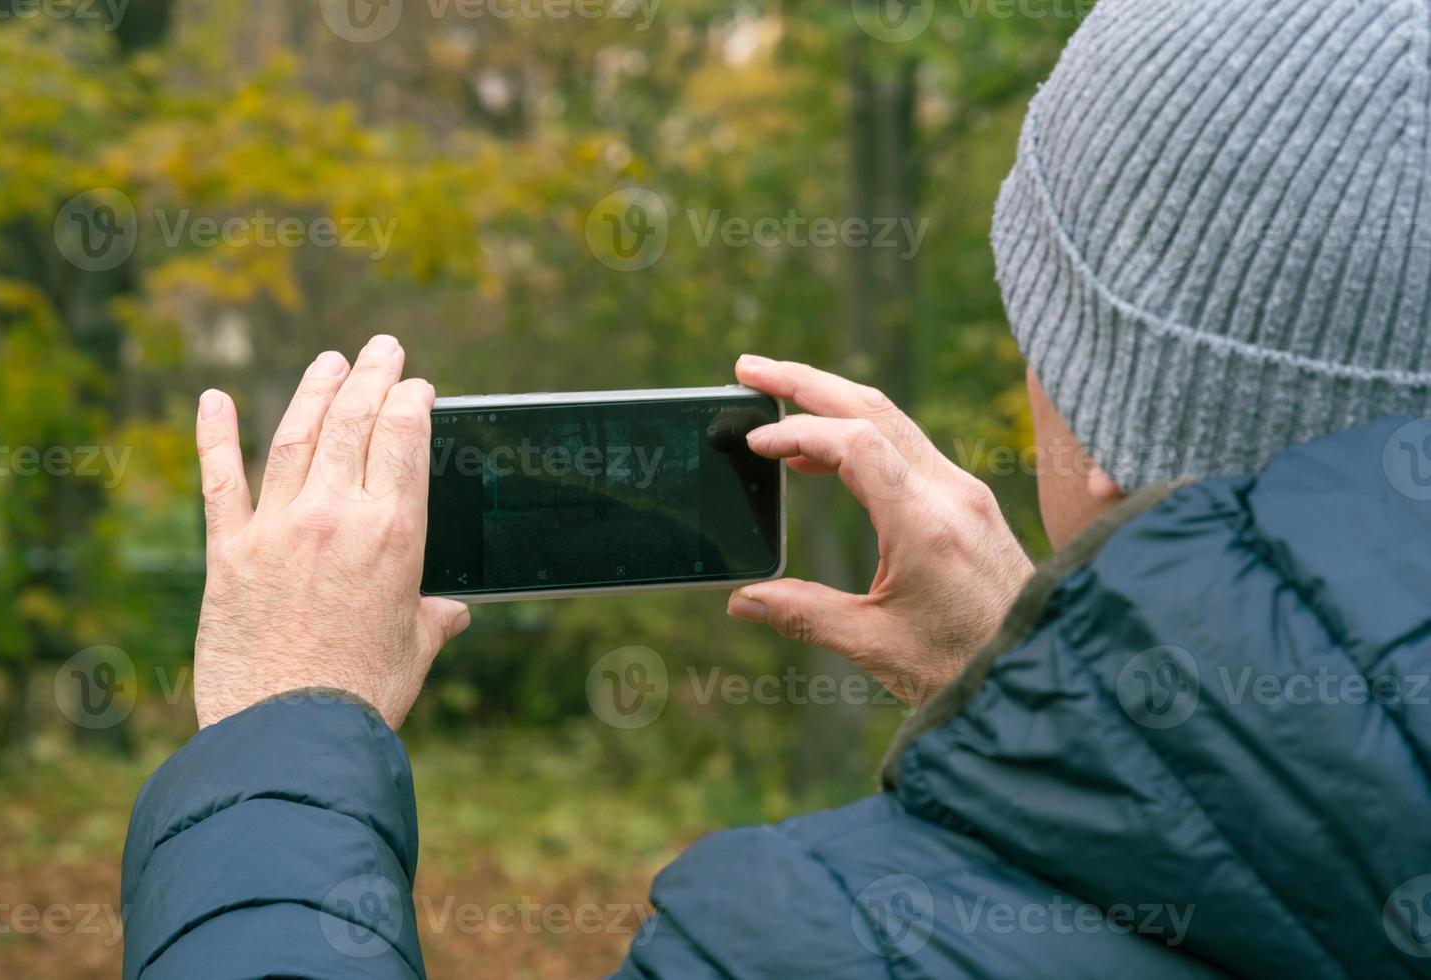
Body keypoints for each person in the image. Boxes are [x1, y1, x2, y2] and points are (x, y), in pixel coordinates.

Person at [122, 0, 1431, 975]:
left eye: (1041, 328)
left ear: (1111, 428)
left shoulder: (801, 944)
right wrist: (1070, 697)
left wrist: (278, 751)